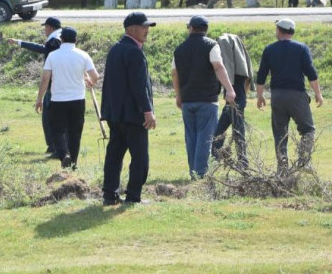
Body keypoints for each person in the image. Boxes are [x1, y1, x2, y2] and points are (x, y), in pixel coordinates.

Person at [101, 12, 157, 205]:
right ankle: (133, 196)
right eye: (143, 27)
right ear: (131, 29)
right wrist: (148, 111)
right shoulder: (134, 52)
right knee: (140, 158)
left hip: (116, 114)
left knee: (114, 156)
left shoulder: (115, 49)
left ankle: (110, 195)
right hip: (134, 115)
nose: (146, 31)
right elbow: (139, 86)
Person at [172, 16, 236, 179]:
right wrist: (229, 89)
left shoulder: (179, 49)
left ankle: (193, 171)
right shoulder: (211, 45)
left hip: (187, 99)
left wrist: (178, 95)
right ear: (205, 29)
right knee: (205, 138)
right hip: (207, 100)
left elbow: (175, 73)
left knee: (191, 137)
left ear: (192, 28)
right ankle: (200, 173)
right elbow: (218, 66)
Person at [256, 19, 324, 173]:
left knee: (280, 133)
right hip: (297, 95)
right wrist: (318, 94)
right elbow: (311, 73)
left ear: (280, 30)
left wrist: (260, 96)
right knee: (307, 129)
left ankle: (282, 169)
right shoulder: (301, 48)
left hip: (277, 96)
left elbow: (261, 76)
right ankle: (303, 162)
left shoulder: (269, 49)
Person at [35, 27, 99, 170]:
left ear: (61, 39)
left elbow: (45, 78)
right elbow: (95, 76)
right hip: (78, 100)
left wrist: (39, 99)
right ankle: (73, 164)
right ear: (76, 40)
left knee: (57, 131)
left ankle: (64, 155)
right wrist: (90, 81)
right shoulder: (83, 55)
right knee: (75, 133)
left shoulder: (53, 56)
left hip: (58, 100)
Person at [7, 17, 63, 157]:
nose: (44, 30)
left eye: (45, 28)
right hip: (59, 83)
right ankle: (54, 146)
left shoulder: (54, 40)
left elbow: (42, 50)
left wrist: (20, 43)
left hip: (53, 83)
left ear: (49, 28)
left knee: (49, 118)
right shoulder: (61, 37)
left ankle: (54, 147)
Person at [211, 33, 254, 167]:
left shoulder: (223, 42)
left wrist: (227, 87)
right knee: (221, 130)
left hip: (234, 95)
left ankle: (242, 161)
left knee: (237, 129)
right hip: (237, 94)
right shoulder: (241, 68)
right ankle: (216, 158)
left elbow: (227, 64)